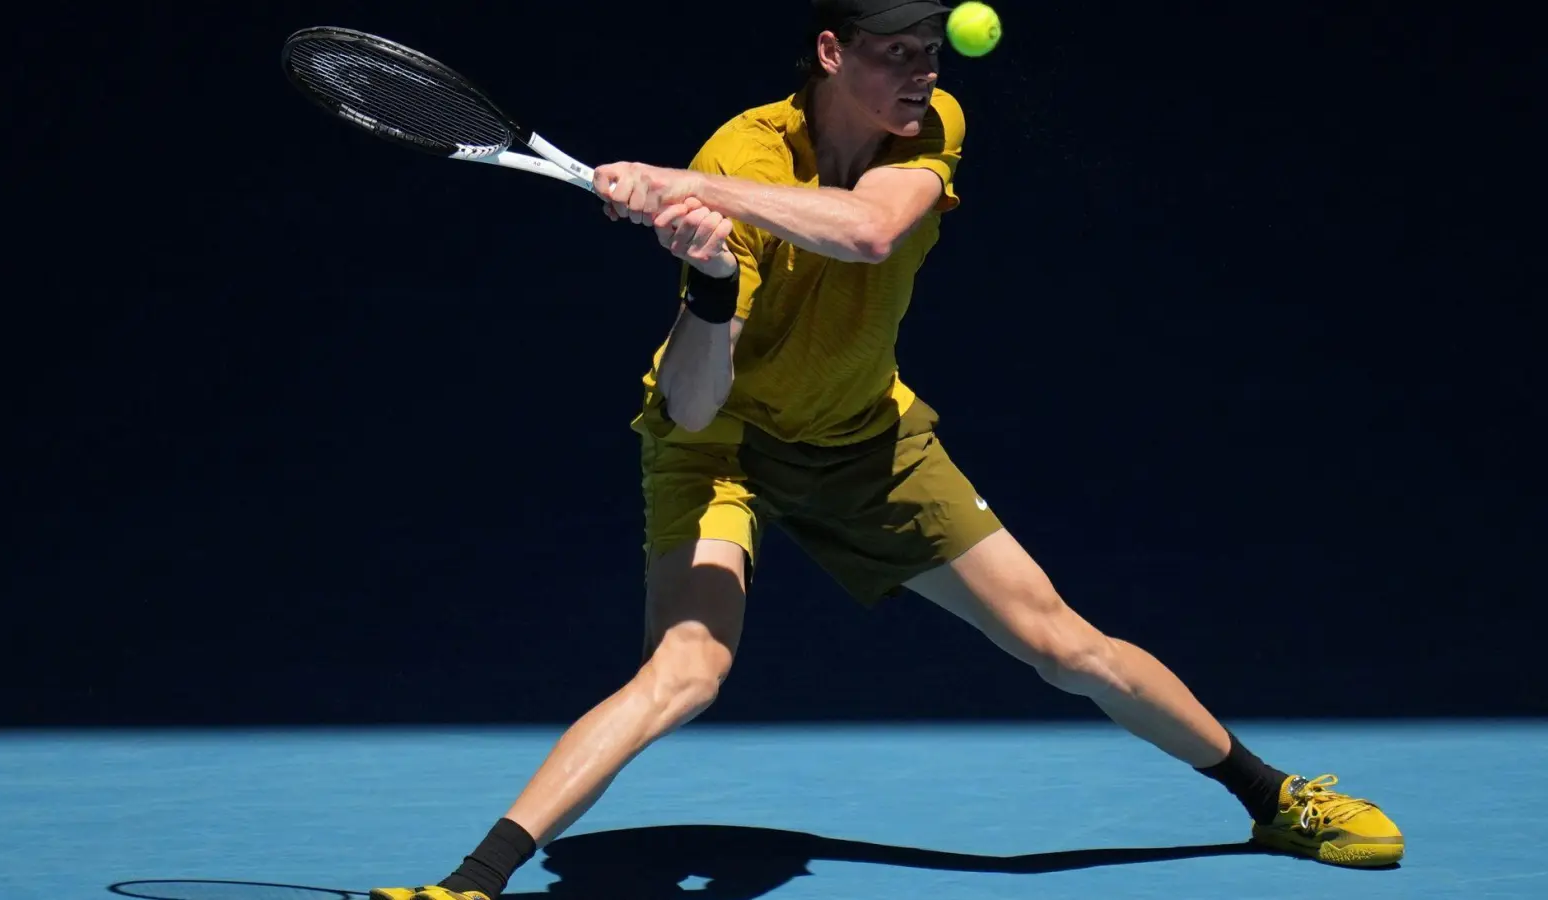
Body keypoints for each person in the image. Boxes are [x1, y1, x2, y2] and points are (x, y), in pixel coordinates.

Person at [372, 1, 1403, 897]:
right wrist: (711, 281)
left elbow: (867, 232)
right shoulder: (743, 154)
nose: (923, 70)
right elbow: (690, 409)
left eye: (931, 49)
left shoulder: (927, 126)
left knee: (1060, 644)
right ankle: (476, 879)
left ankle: (1274, 803)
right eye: (896, 49)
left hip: (866, 434)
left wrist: (685, 188)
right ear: (831, 51)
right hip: (724, 443)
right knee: (685, 672)